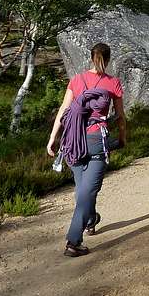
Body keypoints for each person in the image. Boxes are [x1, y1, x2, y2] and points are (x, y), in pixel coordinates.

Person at [47, 42, 127, 257]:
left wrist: (53, 138)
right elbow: (120, 117)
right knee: (88, 191)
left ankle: (90, 220)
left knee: (83, 190)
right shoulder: (113, 83)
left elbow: (64, 110)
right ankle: (73, 242)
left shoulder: (76, 80)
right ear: (108, 59)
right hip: (95, 141)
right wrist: (122, 138)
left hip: (72, 141)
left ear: (91, 58)